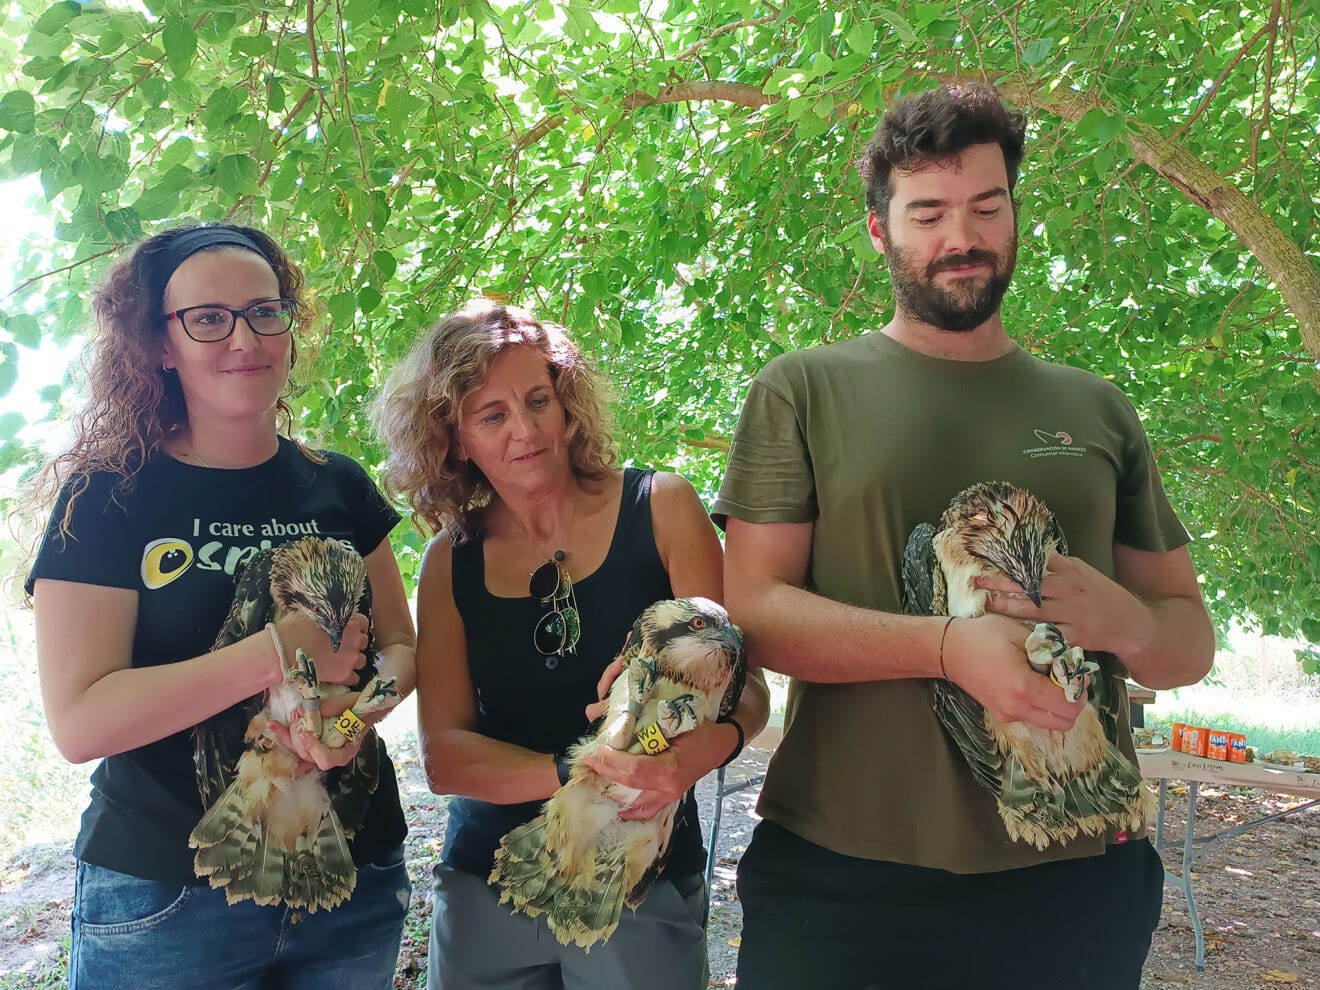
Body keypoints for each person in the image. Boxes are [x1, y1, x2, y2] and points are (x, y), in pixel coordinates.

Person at [714, 84, 1215, 990]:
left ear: (1015, 213)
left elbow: (1187, 643)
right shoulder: (802, 390)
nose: (962, 237)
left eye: (987, 206)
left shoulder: (1097, 409)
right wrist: (947, 647)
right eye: (929, 212)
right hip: (844, 873)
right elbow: (754, 613)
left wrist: (1125, 624)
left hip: (1078, 878)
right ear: (880, 230)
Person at [25, 222, 417, 989]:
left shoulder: (337, 483)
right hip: (166, 894)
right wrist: (280, 648)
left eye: (265, 311)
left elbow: (402, 647)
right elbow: (81, 722)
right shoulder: (108, 495)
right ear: (161, 344)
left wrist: (351, 718)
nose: (245, 337)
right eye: (208, 318)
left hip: (353, 880)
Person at [372, 299, 769, 989]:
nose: (525, 429)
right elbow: (446, 759)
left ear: (568, 405)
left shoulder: (663, 507)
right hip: (486, 882)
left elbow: (749, 691)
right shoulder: (448, 561)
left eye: (538, 400)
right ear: (457, 439)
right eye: (492, 415)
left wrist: (694, 755)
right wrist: (583, 772)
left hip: (636, 873)